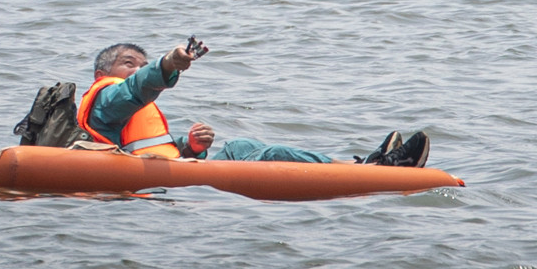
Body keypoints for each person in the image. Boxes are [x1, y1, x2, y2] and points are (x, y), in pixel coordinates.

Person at [81, 38, 431, 167]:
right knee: (269, 156)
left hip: (178, 169)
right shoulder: (106, 97)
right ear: (102, 73)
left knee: (241, 144)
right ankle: (367, 171)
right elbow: (136, 89)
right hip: (161, 180)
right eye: (129, 63)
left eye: (142, 64)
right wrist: (167, 64)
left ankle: (360, 164)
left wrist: (190, 146)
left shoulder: (129, 107)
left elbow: (142, 148)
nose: (137, 70)